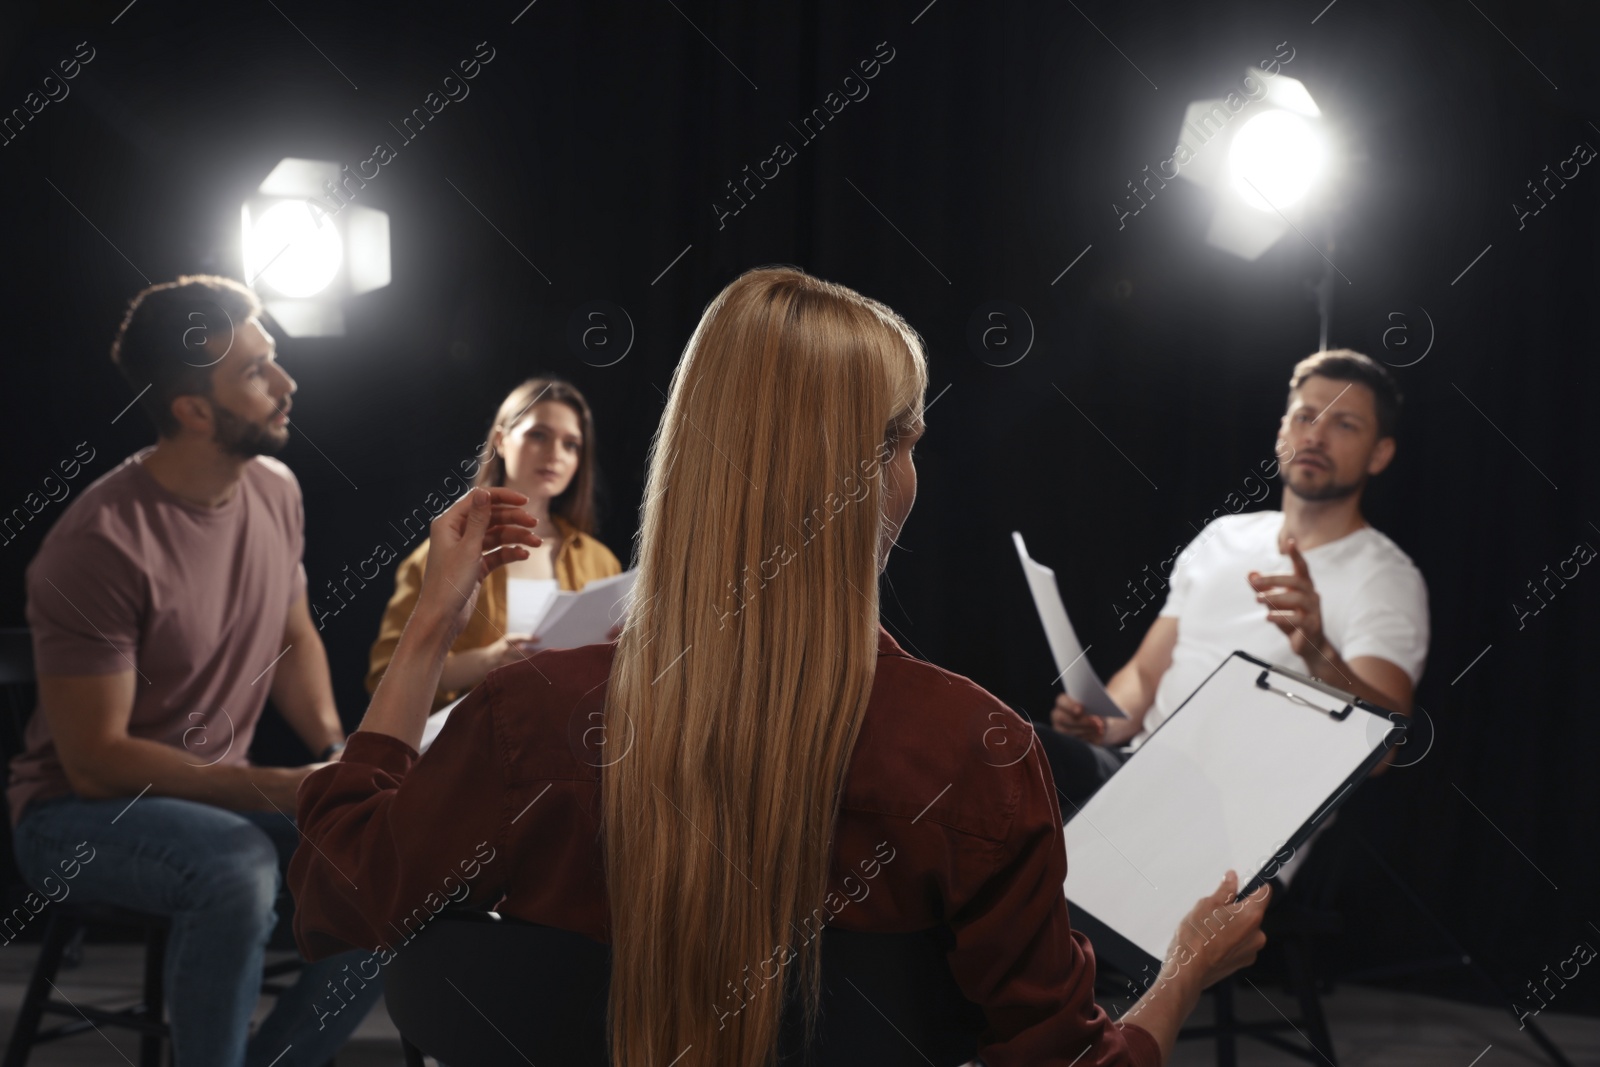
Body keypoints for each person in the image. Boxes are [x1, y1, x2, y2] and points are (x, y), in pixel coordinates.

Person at [286, 267, 1269, 1066]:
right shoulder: (978, 754)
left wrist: (428, 630)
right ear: (878, 469)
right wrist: (1179, 970)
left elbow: (343, 894)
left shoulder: (528, 717)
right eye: (908, 441)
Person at [7, 275, 384, 1067]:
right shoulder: (98, 543)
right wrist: (282, 789)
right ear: (192, 409)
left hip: (215, 798)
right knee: (237, 868)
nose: (286, 383)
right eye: (254, 372)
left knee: (383, 858)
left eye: (273, 358)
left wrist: (337, 758)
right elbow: (96, 759)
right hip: (72, 816)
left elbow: (292, 632)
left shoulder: (275, 490)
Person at [1044, 350, 1429, 814]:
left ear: (1380, 453)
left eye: (1344, 424)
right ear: (1282, 431)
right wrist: (1101, 725)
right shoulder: (1225, 534)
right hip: (1134, 772)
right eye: (1305, 416)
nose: (1316, 435)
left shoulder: (1386, 577)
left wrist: (1318, 653)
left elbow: (1381, 750)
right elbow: (1146, 676)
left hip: (1240, 816)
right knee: (1003, 753)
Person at [365, 377, 623, 712]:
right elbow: (387, 676)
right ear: (501, 440)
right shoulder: (444, 553)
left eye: (571, 444)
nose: (554, 454)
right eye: (538, 435)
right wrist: (488, 660)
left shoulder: (601, 561)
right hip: (465, 751)